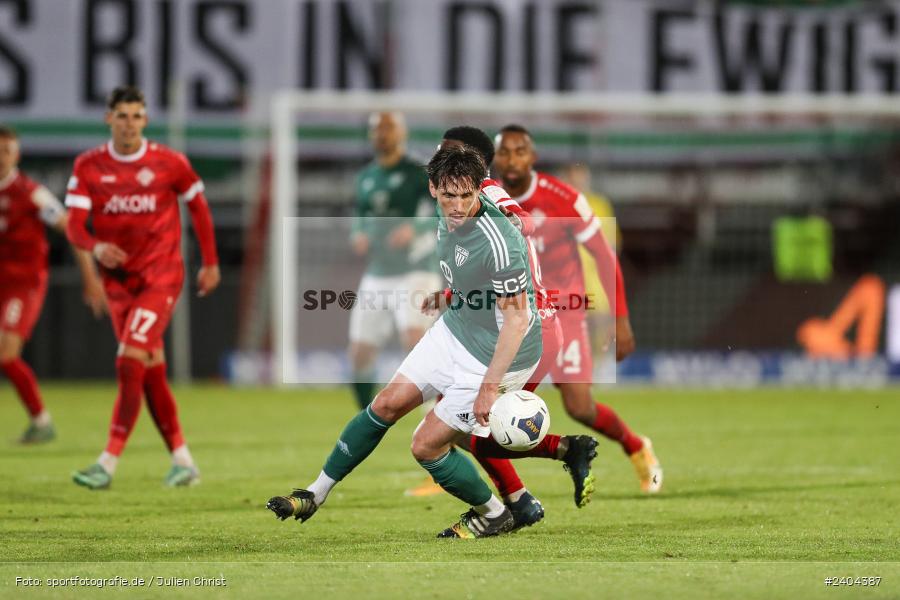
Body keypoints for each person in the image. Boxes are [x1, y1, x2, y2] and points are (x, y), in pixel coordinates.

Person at [268, 145, 597, 538]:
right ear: (433, 189)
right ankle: (315, 494)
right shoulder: (447, 211)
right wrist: (448, 296)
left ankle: (495, 513)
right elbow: (471, 272)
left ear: (479, 189)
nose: (457, 206)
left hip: (500, 353)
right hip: (457, 328)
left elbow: (516, 317)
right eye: (448, 196)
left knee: (425, 445)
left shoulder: (498, 240)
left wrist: (490, 387)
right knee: (386, 403)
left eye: (465, 196)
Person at [405, 126, 598, 527]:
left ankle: (550, 468)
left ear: (470, 159)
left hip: (529, 331)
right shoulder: (468, 201)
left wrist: (513, 218)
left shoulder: (487, 193)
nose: (439, 160)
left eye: (447, 152)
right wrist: (451, 297)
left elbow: (522, 224)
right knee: (468, 425)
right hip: (526, 327)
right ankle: (523, 493)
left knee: (467, 425)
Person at [65, 85, 220, 489]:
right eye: (122, 115)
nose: (130, 123)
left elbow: (199, 206)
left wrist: (211, 261)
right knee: (149, 369)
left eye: (137, 116)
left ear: (145, 120)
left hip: (161, 275)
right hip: (119, 284)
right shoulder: (88, 166)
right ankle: (184, 461)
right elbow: (74, 225)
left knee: (128, 359)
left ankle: (108, 462)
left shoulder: (168, 162)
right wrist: (95, 245)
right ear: (108, 119)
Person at [494, 124, 663, 494]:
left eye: (519, 151)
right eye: (504, 152)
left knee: (580, 407)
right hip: (515, 316)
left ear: (533, 157)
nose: (511, 159)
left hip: (565, 313)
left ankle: (636, 446)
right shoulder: (487, 199)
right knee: (492, 404)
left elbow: (604, 258)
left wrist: (621, 320)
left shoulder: (564, 199)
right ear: (494, 158)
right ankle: (496, 488)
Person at [0, 126, 106, 443]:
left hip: (24, 282)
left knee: (6, 353)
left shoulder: (31, 193)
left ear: (17, 155)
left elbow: (72, 230)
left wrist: (91, 278)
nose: (1, 157)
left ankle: (41, 422)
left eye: (6, 150)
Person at [348, 112, 439, 410]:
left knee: (415, 340)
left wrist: (415, 227)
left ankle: (437, 417)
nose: (382, 134)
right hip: (379, 272)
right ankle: (364, 419)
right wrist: (358, 233)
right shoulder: (365, 178)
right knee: (359, 353)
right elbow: (360, 217)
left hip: (417, 269)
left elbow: (443, 211)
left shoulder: (419, 173)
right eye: (377, 129)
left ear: (403, 133)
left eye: (389, 128)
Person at [560, 162, 624, 354]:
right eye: (573, 178)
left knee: (599, 324)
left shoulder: (599, 204)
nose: (577, 182)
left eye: (580, 177)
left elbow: (613, 243)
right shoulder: (558, 206)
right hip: (567, 277)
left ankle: (599, 368)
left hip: (594, 276)